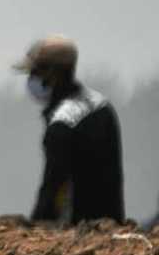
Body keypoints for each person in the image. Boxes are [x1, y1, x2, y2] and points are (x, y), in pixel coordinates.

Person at [15, 35, 124, 224]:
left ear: (52, 74)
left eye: (34, 73)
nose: (31, 80)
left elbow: (54, 185)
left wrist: (37, 224)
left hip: (77, 228)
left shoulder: (62, 125)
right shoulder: (101, 105)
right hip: (111, 223)